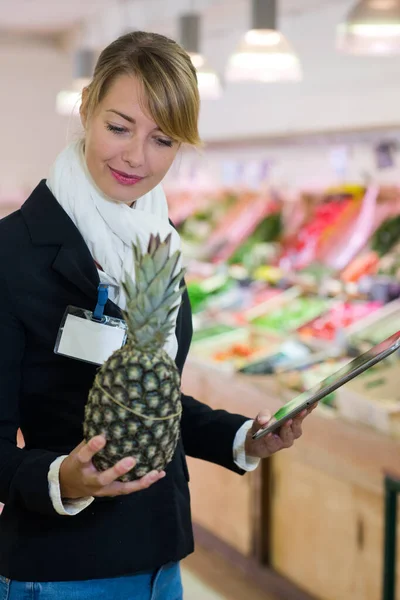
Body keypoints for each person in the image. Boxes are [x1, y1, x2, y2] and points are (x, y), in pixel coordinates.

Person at [0, 31, 314, 599]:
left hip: (162, 563)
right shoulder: (14, 251)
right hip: (61, 571)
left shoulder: (158, 242)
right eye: (119, 127)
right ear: (86, 108)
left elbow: (153, 397)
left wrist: (242, 437)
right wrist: (61, 478)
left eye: (162, 140)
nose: (136, 157)